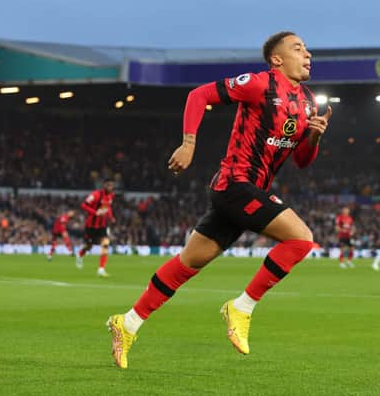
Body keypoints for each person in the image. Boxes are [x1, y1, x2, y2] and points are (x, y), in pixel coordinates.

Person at [106, 31, 332, 369]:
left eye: (307, 49)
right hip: (236, 185)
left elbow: (302, 160)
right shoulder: (258, 84)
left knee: (188, 264)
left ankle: (128, 323)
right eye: (298, 49)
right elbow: (200, 95)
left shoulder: (308, 102)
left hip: (246, 192)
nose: (307, 54)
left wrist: (313, 136)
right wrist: (188, 143)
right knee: (301, 239)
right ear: (277, 59)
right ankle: (241, 308)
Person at [76, 178, 116, 276]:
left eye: (112, 185)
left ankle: (101, 269)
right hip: (91, 225)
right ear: (104, 185)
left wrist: (111, 217)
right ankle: (80, 254)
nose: (110, 187)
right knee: (89, 246)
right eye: (108, 185)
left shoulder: (111, 195)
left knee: (105, 243)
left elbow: (108, 207)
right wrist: (95, 212)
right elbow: (84, 205)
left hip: (102, 225)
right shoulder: (95, 195)